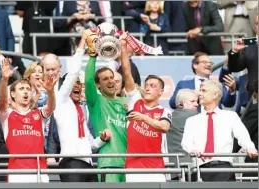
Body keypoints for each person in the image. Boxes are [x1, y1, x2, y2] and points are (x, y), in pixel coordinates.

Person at [54, 30, 112, 182]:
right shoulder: (61, 101)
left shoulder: (81, 110)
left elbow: (90, 145)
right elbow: (73, 73)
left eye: (79, 83)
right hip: (70, 162)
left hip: (88, 164)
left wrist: (102, 139)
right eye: (74, 83)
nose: (77, 85)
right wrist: (82, 44)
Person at [181, 80, 258, 182]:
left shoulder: (230, 116)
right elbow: (186, 142)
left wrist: (249, 147)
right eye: (200, 90)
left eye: (204, 91)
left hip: (223, 168)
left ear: (215, 95)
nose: (200, 93)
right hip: (198, 168)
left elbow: (242, 135)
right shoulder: (191, 120)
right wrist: (192, 150)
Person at [120, 33, 172, 182]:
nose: (148, 88)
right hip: (133, 166)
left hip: (155, 168)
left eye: (153, 86)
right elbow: (127, 72)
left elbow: (164, 127)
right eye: (147, 85)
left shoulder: (164, 111)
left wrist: (142, 117)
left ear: (161, 92)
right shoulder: (135, 100)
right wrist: (123, 47)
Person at [0, 59, 58, 183]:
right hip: (16, 173)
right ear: (13, 94)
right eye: (21, 89)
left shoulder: (38, 114)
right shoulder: (7, 115)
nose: (25, 91)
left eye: (27, 89)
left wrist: (51, 92)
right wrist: (4, 80)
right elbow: (2, 102)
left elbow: (51, 107)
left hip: (40, 172)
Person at [85, 31, 128, 182]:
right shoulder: (96, 101)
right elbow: (88, 81)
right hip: (108, 164)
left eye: (112, 78)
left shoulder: (127, 103)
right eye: (105, 79)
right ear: (98, 85)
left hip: (130, 164)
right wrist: (92, 55)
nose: (111, 82)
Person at [169, 52, 236, 110]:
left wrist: (232, 90)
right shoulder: (183, 84)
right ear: (195, 65)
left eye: (210, 63)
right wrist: (192, 94)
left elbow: (228, 104)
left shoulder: (217, 85)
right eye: (204, 62)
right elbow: (172, 103)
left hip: (213, 122)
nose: (209, 65)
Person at [166, 89, 198, 180]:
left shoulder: (167, 117)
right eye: (192, 101)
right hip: (192, 168)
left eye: (196, 101)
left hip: (172, 168)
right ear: (180, 104)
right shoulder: (195, 116)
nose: (197, 104)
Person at [227, 15, 258, 96]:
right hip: (254, 97)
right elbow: (235, 68)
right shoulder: (248, 44)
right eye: (257, 24)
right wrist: (234, 52)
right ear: (255, 26)